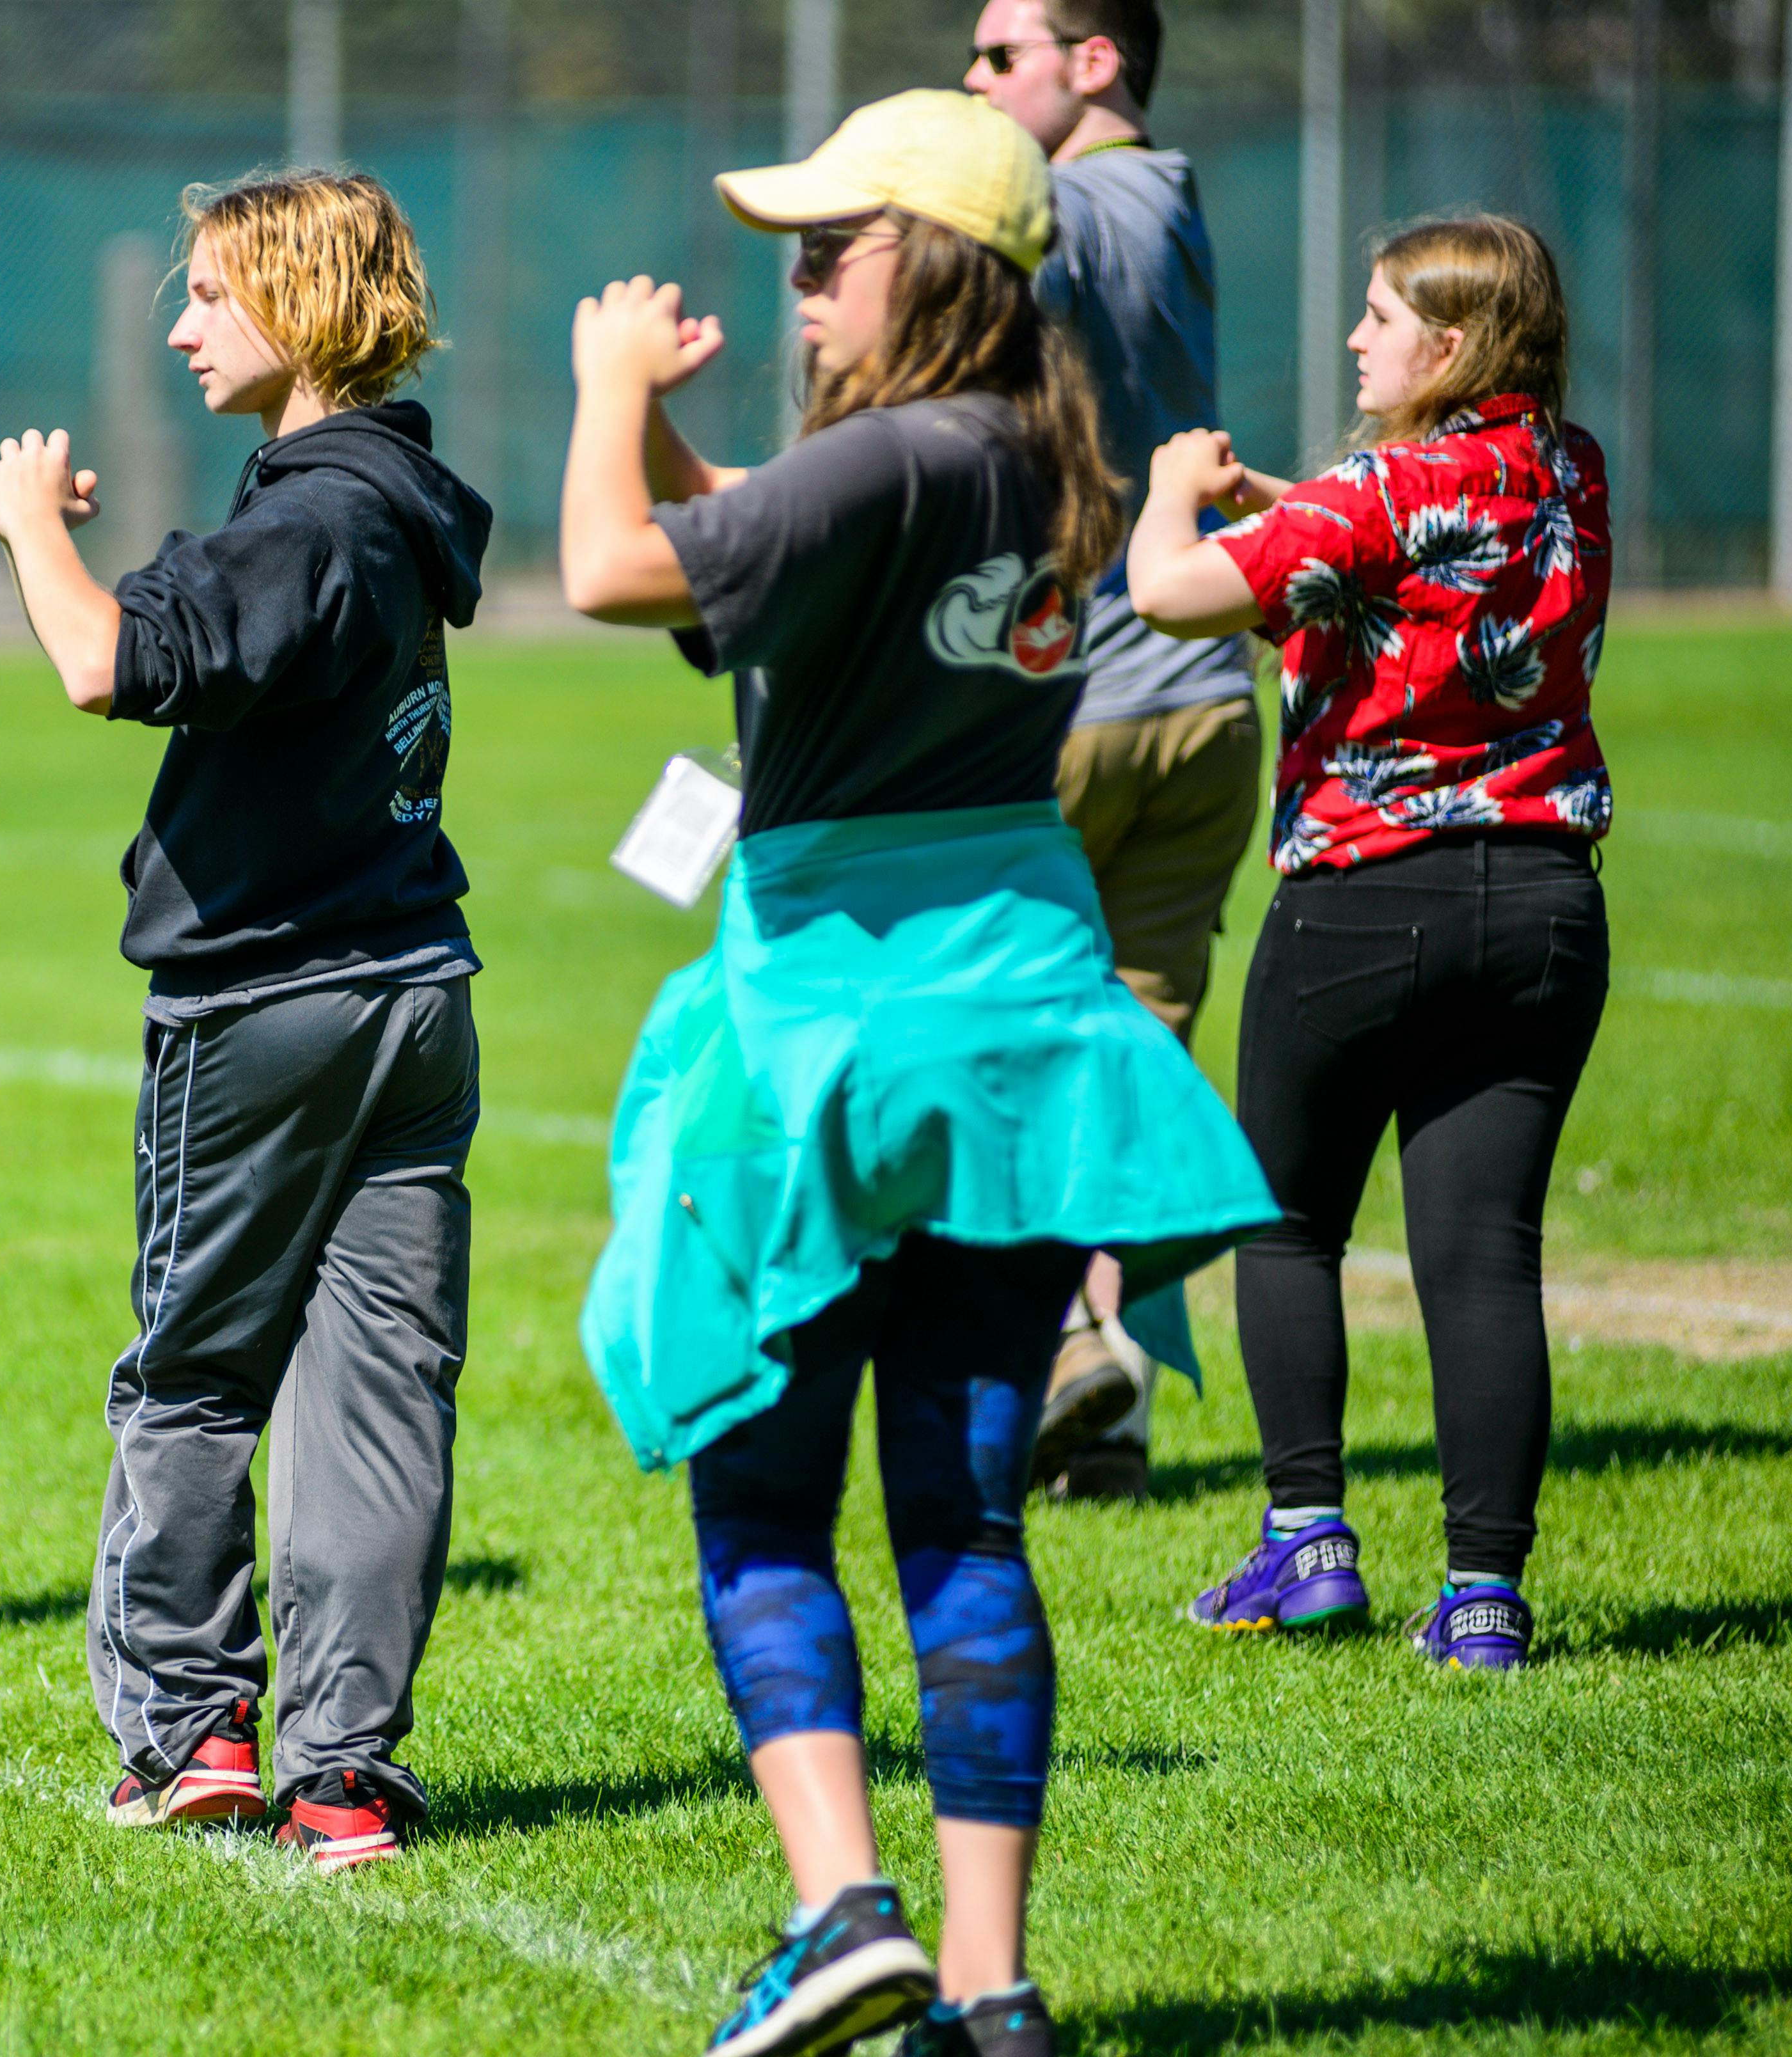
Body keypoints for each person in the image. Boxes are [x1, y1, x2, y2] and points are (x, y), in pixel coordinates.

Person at [560, 92, 1275, 2057]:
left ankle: (837, 1908)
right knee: (966, 1527)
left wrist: (607, 387)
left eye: (828, 250)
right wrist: (704, 451)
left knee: (765, 1507)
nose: (796, 288)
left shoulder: (882, 454)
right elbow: (765, 556)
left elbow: (618, 569)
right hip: (1024, 1033)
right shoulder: (1043, 461)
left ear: (935, 265)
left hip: (837, 1039)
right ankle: (993, 1990)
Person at [0, 169, 490, 1872]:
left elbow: (108, 664)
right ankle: (345, 1772)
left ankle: (192, 1730)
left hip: (272, 996)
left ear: (300, 301)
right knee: (378, 1391)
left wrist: (32, 525)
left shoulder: (313, 515)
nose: (184, 327)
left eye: (210, 293)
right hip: (419, 996)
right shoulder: (392, 497)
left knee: (197, 1378)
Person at [1128, 215, 1608, 1673]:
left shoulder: (1376, 485)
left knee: (1284, 1219)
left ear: (1447, 346)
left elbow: (1169, 592)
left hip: (1359, 901)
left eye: (1379, 315)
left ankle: (1303, 1542)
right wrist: (1289, 499)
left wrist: (1170, 495)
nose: (1355, 339)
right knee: (1481, 1258)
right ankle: (1483, 1602)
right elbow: (1412, 558)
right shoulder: (1570, 469)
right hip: (1541, 903)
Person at [966, 0, 1262, 1500]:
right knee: (1138, 1051)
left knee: (1006, 1048)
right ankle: (1117, 1402)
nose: (971, 82)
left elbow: (998, 269)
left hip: (1069, 692)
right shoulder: (1179, 193)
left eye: (997, 56)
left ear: (1095, 63)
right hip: (1208, 695)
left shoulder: (1059, 203)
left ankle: (1050, 1362)